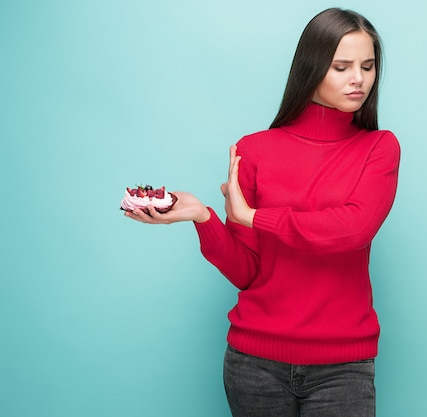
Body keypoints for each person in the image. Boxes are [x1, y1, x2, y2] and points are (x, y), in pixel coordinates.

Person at [125, 7, 400, 417]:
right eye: (341, 66)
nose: (358, 79)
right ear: (311, 67)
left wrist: (255, 216)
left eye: (367, 66)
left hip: (343, 367)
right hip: (254, 364)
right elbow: (247, 272)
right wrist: (205, 217)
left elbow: (352, 230)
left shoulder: (379, 148)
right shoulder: (253, 150)